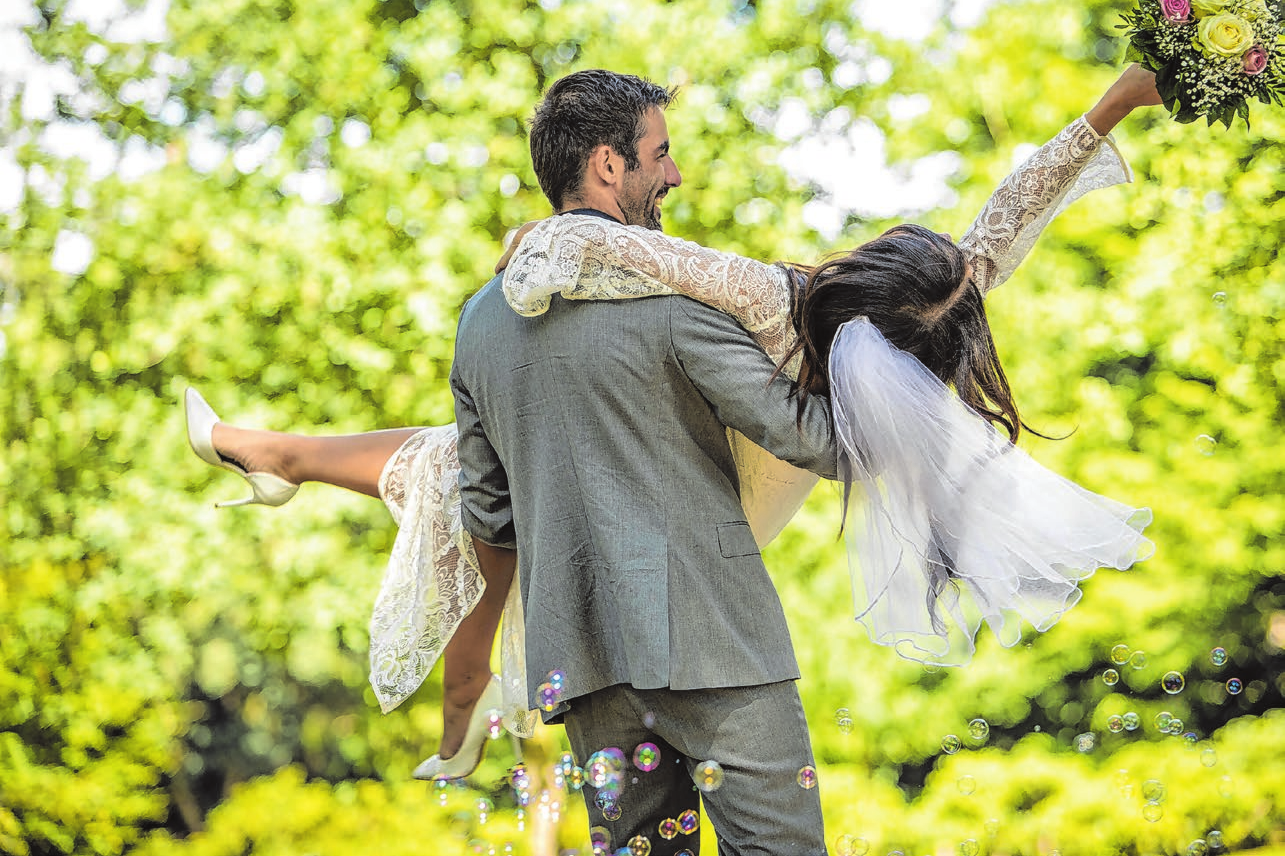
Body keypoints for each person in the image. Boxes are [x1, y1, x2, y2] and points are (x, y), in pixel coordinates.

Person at [184, 64, 1163, 792]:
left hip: (687, 504)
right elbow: (1000, 231)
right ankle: (283, 461)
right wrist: (1110, 108)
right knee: (466, 459)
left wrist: (547, 238)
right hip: (727, 500)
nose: (676, 173)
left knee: (476, 464)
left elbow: (669, 261)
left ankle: (325, 505)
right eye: (661, 154)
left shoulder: (779, 297)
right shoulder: (932, 318)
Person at [450, 69, 841, 852]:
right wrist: (909, 389)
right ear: (606, 164)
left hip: (584, 665)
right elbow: (812, 438)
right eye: (659, 154)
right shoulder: (669, 300)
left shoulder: (479, 321)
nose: (673, 174)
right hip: (715, 638)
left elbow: (489, 515)